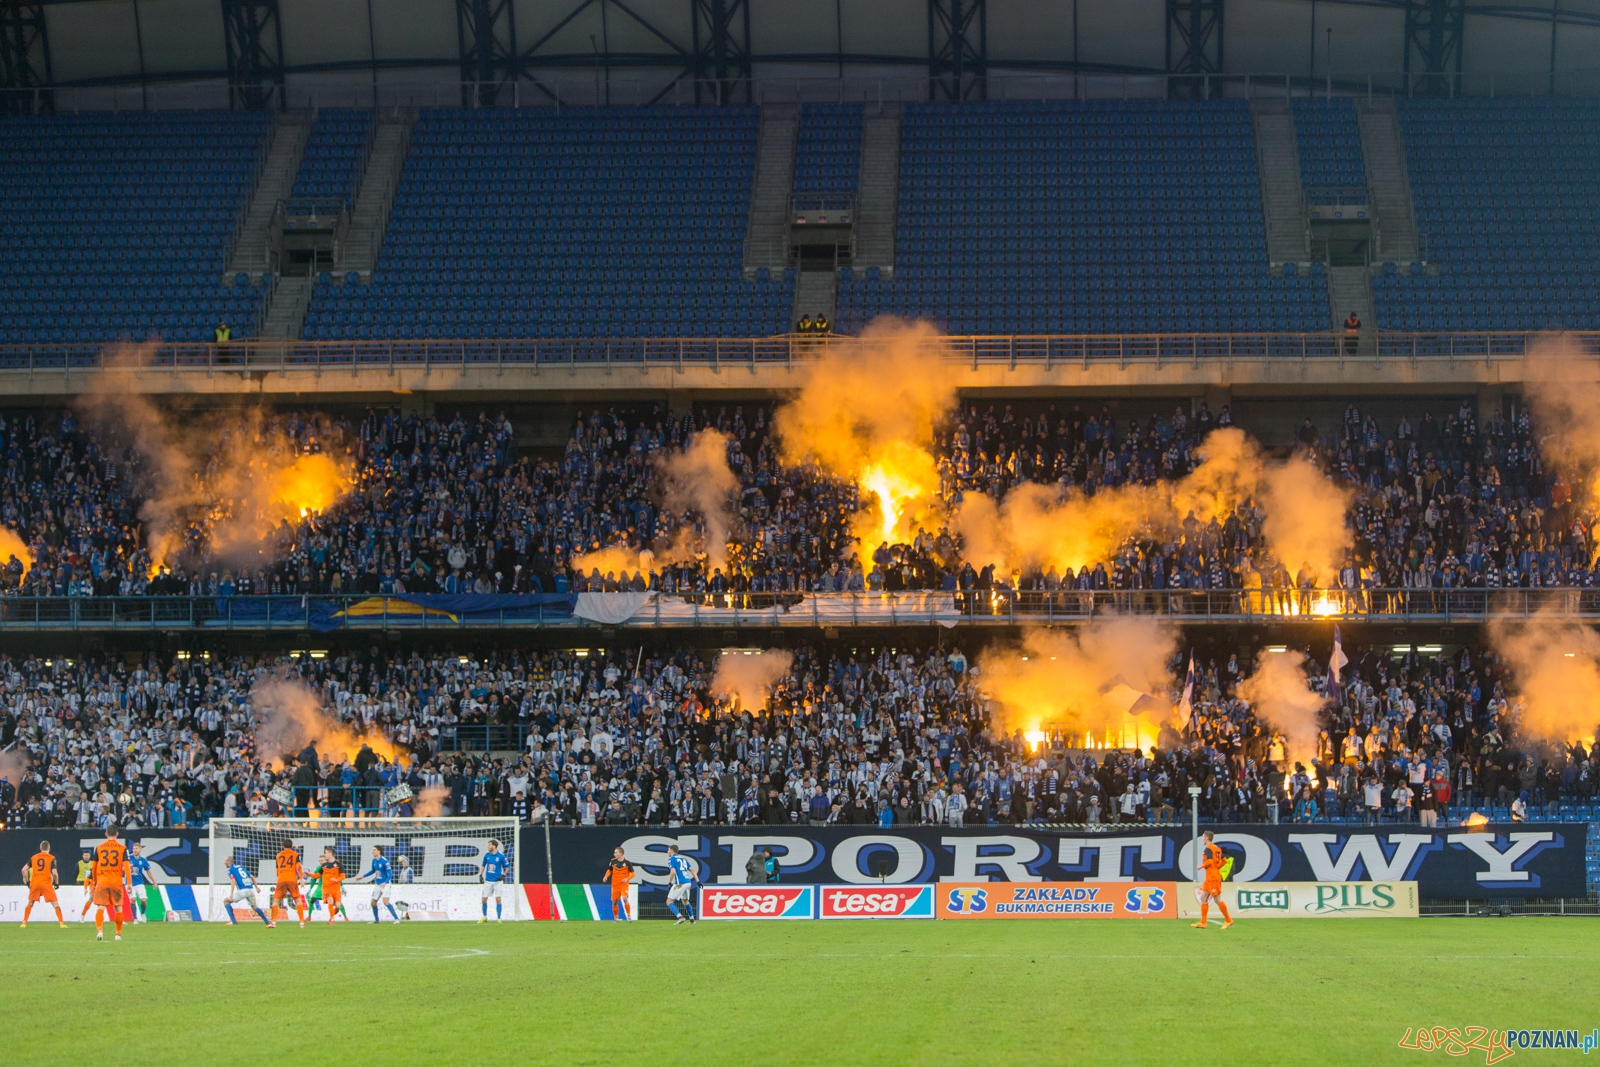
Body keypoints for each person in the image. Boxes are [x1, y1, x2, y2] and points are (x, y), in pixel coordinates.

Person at [90, 825, 131, 942]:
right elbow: (126, 867)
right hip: (116, 882)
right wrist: (129, 883)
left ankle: (99, 931)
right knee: (118, 908)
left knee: (100, 907)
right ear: (117, 834)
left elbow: (94, 866)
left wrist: (94, 881)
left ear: (106, 834)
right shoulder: (122, 848)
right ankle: (117, 935)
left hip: (102, 881)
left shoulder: (99, 847)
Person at [1191, 830, 1233, 930]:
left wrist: (1201, 866)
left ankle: (1228, 920)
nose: (1202, 839)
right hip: (1209, 877)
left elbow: (1209, 861)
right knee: (1203, 898)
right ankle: (1203, 922)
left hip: (1213, 878)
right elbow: (1224, 860)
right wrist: (1216, 867)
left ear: (1207, 838)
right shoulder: (1216, 848)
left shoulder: (1208, 849)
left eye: (1203, 837)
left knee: (1217, 899)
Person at [21, 840, 66, 928]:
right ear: (49, 848)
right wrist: (56, 883)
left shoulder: (34, 857)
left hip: (35, 883)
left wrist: (27, 882)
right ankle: (61, 923)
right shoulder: (51, 858)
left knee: (30, 903)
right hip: (46, 883)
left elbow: (23, 870)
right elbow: (54, 873)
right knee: (55, 904)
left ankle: (24, 923)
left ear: (40, 848)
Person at [353, 845, 402, 924]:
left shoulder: (384, 861)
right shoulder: (374, 860)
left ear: (379, 851)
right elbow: (373, 870)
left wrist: (385, 882)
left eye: (374, 850)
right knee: (373, 902)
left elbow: (390, 874)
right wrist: (363, 876)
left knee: (385, 902)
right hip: (378, 884)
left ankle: (397, 919)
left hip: (386, 884)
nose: (372, 851)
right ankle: (377, 920)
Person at [223, 853, 274, 926]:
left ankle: (233, 921)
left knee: (226, 901)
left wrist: (231, 894)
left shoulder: (230, 869)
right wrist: (256, 887)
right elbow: (252, 876)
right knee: (255, 907)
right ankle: (267, 921)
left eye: (225, 861)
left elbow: (233, 880)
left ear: (228, 862)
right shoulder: (241, 867)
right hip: (250, 889)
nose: (224, 863)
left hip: (242, 890)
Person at [306, 849, 348, 924]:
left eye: (326, 853)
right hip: (325, 888)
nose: (325, 854)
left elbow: (342, 876)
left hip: (336, 889)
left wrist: (337, 881)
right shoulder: (323, 866)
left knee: (338, 906)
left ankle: (334, 917)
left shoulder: (338, 864)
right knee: (329, 900)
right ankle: (332, 919)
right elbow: (317, 876)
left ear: (330, 854)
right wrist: (309, 874)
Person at [272, 842, 308, 927]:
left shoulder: (278, 855)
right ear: (291, 846)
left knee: (276, 901)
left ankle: (273, 923)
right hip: (292, 879)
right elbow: (299, 867)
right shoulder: (296, 854)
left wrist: (279, 880)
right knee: (297, 900)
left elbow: (277, 870)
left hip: (281, 879)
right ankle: (302, 923)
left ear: (283, 846)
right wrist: (301, 878)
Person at [664, 843, 698, 926]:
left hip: (680, 883)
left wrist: (669, 882)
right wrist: (698, 881)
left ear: (672, 850)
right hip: (688, 882)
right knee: (685, 901)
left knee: (669, 901)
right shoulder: (683, 859)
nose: (667, 851)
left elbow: (673, 872)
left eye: (668, 850)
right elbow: (692, 870)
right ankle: (692, 920)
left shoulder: (671, 859)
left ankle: (680, 917)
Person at [480, 839, 510, 923]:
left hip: (497, 881)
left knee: (498, 899)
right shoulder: (487, 855)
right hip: (488, 881)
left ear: (494, 846)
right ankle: (484, 917)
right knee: (484, 899)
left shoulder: (501, 856)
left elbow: (507, 867)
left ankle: (499, 918)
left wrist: (504, 875)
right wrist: (480, 875)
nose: (488, 846)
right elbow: (483, 865)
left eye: (489, 845)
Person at [602, 846, 634, 922]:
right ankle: (616, 918)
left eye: (616, 853)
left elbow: (633, 874)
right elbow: (609, 870)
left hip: (623, 885)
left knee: (625, 898)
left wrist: (627, 878)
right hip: (615, 884)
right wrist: (605, 876)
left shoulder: (627, 863)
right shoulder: (613, 861)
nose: (614, 854)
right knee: (615, 901)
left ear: (621, 853)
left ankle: (629, 916)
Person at [128, 842, 153, 924]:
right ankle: (135, 919)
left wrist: (154, 882)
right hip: (130, 883)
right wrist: (128, 867)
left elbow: (148, 871)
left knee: (143, 900)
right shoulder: (128, 858)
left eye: (136, 848)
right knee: (133, 899)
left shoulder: (143, 859)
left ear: (140, 850)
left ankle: (143, 914)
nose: (134, 850)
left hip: (139, 883)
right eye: (133, 848)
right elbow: (122, 868)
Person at [76, 848, 95, 920]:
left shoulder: (95, 864)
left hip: (101, 885)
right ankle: (82, 916)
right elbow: (87, 879)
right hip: (93, 885)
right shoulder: (94, 866)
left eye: (88, 855)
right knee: (92, 898)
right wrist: (85, 889)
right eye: (85, 855)